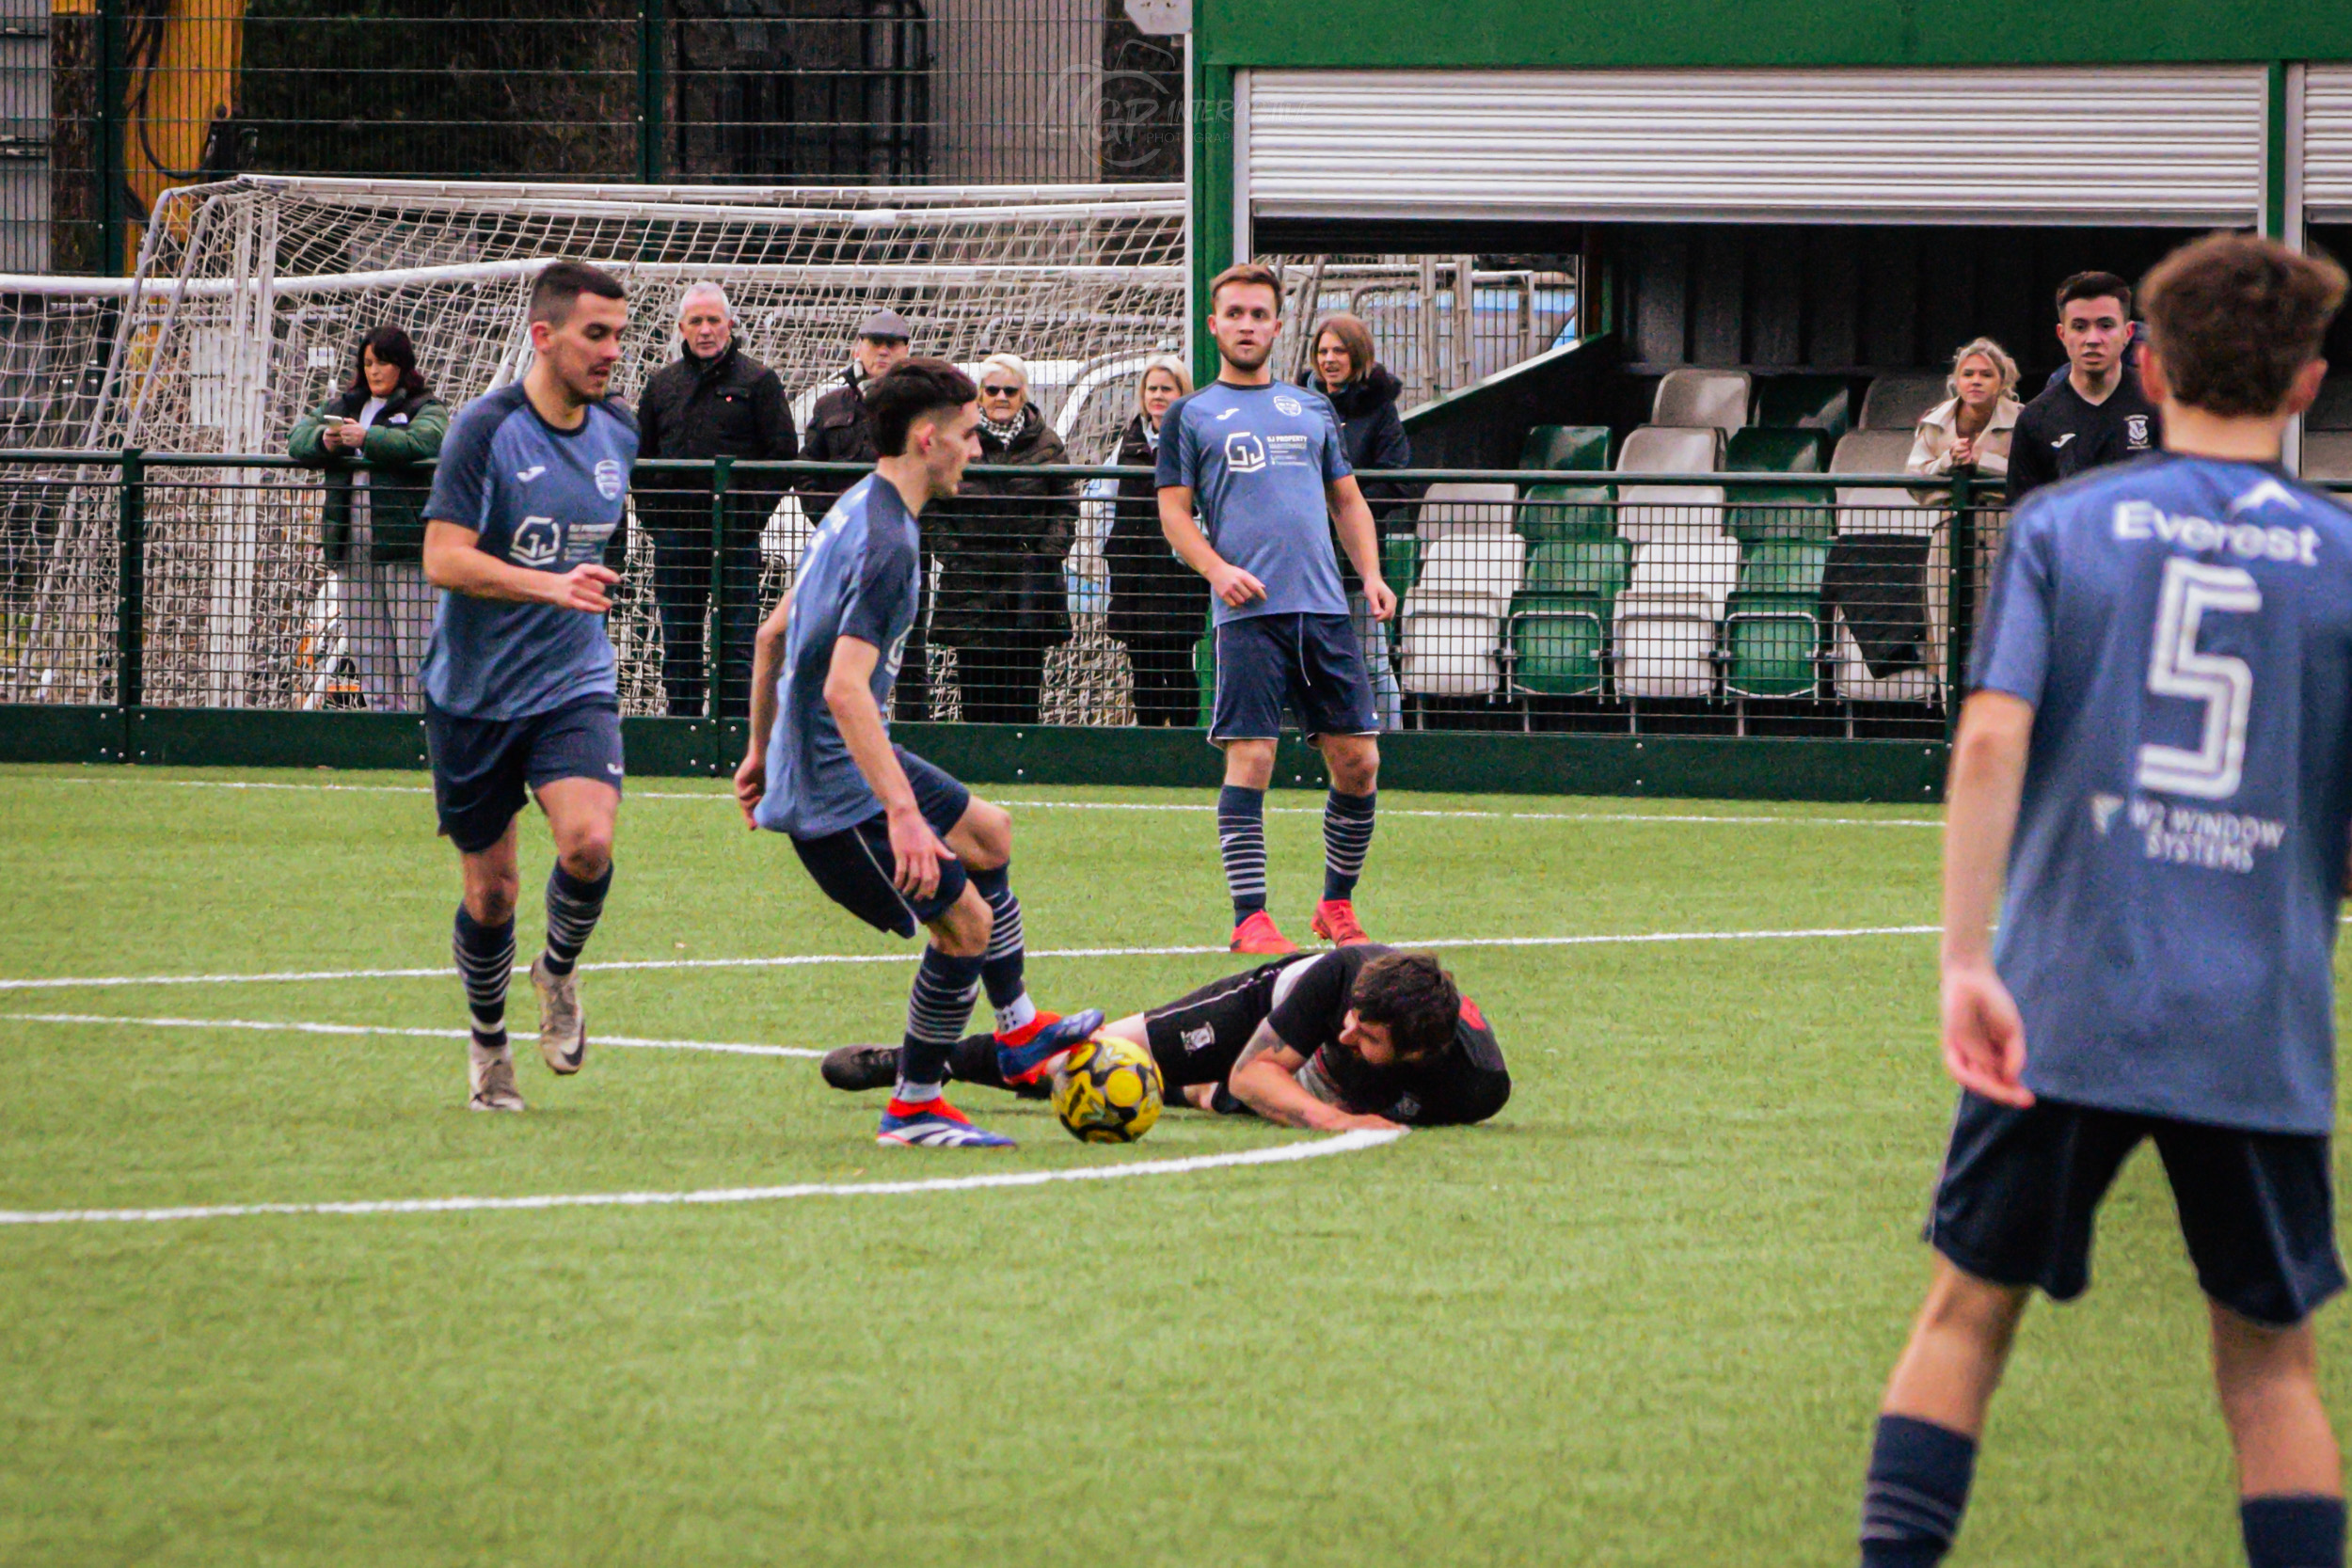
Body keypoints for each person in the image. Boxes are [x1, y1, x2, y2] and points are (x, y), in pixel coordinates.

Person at [1855, 232, 2352, 1568]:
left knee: (1965, 1315)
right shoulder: (2342, 555)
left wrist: (1967, 958)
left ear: (2151, 366)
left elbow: (1988, 740)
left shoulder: (2063, 526)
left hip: (2061, 999)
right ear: (2307, 383)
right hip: (2257, 1019)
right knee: (2273, 1369)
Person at [734, 357, 1103, 1149]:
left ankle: (1017, 1031)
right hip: (838, 796)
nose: (978, 447)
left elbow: (772, 637)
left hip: (833, 762)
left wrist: (760, 750)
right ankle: (914, 1106)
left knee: (989, 834)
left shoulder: (857, 507)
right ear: (927, 439)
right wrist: (901, 813)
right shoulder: (889, 543)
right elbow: (844, 688)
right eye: (968, 434)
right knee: (965, 926)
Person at [419, 261, 637, 1114]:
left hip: (571, 680)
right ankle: (488, 1043)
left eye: (619, 335)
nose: (611, 351)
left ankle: (558, 971)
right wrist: (549, 584)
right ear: (543, 337)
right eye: (595, 334)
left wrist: (567, 597)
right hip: (473, 695)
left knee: (588, 843)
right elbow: (443, 558)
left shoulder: (619, 431)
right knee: (492, 892)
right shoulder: (485, 429)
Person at [1159, 262, 1396, 956]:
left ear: (1277, 325)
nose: (1247, 325)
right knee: (1253, 757)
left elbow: (1347, 500)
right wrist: (1216, 568)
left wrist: (1371, 575)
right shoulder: (1190, 414)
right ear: (1214, 324)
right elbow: (1173, 514)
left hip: (1323, 611)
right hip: (1248, 617)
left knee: (1359, 761)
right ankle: (1250, 918)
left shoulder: (1311, 409)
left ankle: (1336, 904)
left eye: (1259, 314)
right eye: (1234, 313)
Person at [818, 943, 1511, 1132]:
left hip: (1320, 1079)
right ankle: (917, 1063)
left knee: (1229, 1102)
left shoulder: (1475, 1087)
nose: (1348, 1029)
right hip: (1265, 1012)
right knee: (1078, 1062)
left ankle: (1190, 1093)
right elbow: (1254, 1074)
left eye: (1369, 1034)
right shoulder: (1343, 980)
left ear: (1417, 1052)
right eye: (1352, 1016)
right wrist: (1337, 1121)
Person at [633, 282, 799, 721]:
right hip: (676, 541)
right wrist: (658, 524)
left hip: (736, 540)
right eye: (696, 321)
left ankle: (734, 734)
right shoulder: (661, 386)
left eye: (713, 320)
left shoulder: (759, 382)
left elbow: (782, 457)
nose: (705, 330)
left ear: (730, 324)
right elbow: (639, 460)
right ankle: (682, 729)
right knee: (679, 644)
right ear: (681, 328)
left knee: (737, 645)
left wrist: (748, 520)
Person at [289, 325, 448, 712]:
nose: (375, 371)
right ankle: (382, 717)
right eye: (369, 363)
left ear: (403, 365)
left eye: (384, 362)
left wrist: (368, 439)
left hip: (404, 544)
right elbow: (298, 438)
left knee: (416, 640)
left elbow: (425, 441)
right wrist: (324, 441)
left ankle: (421, 721)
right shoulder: (345, 405)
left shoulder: (425, 406)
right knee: (367, 641)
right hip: (350, 543)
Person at [923, 352, 1078, 726]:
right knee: (976, 693)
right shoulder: (960, 438)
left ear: (1024, 394)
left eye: (1011, 390)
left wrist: (1047, 554)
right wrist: (953, 554)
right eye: (992, 390)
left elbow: (1066, 502)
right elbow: (932, 502)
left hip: (1027, 586)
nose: (1001, 397)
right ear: (980, 393)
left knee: (1024, 694)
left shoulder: (1048, 443)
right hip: (971, 582)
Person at [798, 309, 925, 717]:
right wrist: (834, 525)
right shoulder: (829, 404)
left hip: (903, 545)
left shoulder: (924, 408)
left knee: (907, 646)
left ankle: (913, 731)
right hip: (844, 550)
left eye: (892, 343)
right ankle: (835, 727)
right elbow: (807, 470)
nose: (883, 351)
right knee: (839, 639)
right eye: (875, 342)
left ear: (906, 350)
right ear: (858, 347)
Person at [1307, 312, 1416, 732]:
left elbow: (1396, 479)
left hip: (1355, 563)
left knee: (1371, 661)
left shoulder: (1380, 409)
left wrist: (1347, 512)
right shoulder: (1298, 404)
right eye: (1323, 351)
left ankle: (1391, 740)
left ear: (1357, 355)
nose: (1329, 359)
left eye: (1339, 350)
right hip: (1305, 558)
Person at [2006, 272, 2163, 506]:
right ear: (2062, 334)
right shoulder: (2035, 419)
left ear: (2128, 333)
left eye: (2106, 325)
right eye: (2079, 327)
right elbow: (2022, 513)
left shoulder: (2159, 406)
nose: (2093, 339)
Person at [1104, 356, 1200, 726]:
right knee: (1142, 666)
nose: (1158, 396)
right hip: (1133, 573)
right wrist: (1109, 546)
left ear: (1182, 393)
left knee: (1177, 663)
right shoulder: (1127, 442)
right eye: (1152, 389)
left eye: (1167, 389)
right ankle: (1148, 741)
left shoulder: (1193, 438)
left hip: (1177, 573)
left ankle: (1184, 743)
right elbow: (1104, 495)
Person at [1906, 337, 2022, 488]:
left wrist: (1983, 461)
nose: (1976, 381)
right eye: (1968, 374)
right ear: (1957, 381)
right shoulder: (1935, 420)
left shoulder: (2023, 419)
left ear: (2002, 382)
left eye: (1986, 375)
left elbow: (2038, 475)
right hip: (1949, 503)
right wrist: (1947, 460)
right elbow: (1913, 476)